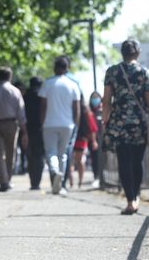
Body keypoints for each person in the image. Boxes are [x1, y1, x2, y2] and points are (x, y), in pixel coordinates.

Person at [102, 40, 149, 215]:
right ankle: (137, 195)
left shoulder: (112, 71)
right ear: (137, 53)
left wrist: (105, 120)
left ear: (123, 53)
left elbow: (107, 100)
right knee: (137, 161)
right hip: (139, 124)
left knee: (123, 161)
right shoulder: (144, 73)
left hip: (119, 123)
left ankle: (130, 199)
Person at [39, 56, 81, 196]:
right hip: (67, 124)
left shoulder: (47, 84)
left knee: (51, 153)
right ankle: (61, 183)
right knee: (62, 154)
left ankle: (55, 171)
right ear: (66, 68)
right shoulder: (73, 84)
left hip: (49, 123)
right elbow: (77, 108)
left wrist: (42, 122)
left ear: (54, 67)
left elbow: (43, 107)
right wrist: (75, 124)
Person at [0, 67, 28, 192]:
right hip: (11, 124)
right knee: (10, 153)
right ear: (10, 77)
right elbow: (21, 112)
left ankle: (3, 180)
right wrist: (24, 130)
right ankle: (7, 179)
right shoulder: (15, 91)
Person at [69, 102, 98, 188]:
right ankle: (80, 181)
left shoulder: (70, 109)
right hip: (82, 139)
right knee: (80, 160)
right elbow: (93, 128)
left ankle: (71, 181)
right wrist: (93, 141)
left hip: (71, 137)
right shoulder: (87, 112)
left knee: (71, 161)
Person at [24, 77, 45, 190]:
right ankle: (37, 182)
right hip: (40, 129)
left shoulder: (25, 96)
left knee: (30, 156)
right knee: (39, 156)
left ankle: (33, 182)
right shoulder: (42, 96)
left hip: (27, 129)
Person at [88, 91, 104, 188]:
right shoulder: (90, 112)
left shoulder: (102, 110)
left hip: (103, 139)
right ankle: (96, 177)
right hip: (93, 140)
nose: (95, 100)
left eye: (96, 98)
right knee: (95, 159)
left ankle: (102, 178)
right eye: (93, 98)